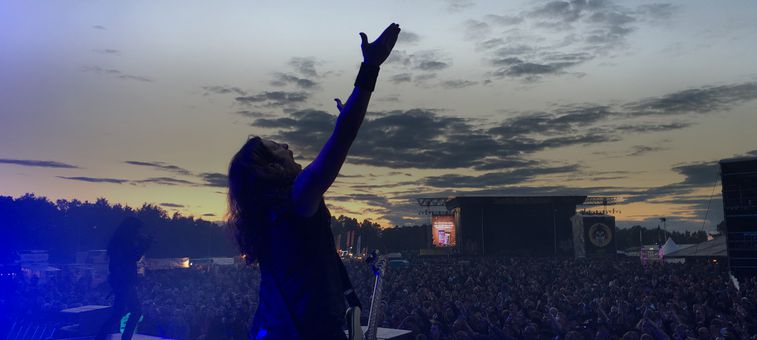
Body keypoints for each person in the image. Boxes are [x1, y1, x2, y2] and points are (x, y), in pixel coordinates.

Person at [227, 23, 400, 339]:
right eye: (277, 148)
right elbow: (343, 138)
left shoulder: (266, 215)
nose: (288, 148)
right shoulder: (295, 200)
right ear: (267, 167)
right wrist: (369, 70)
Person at [96, 217, 152, 340]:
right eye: (137, 230)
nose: (138, 233)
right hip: (124, 283)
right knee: (136, 312)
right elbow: (133, 256)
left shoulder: (119, 242)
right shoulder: (123, 243)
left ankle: (100, 337)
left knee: (118, 314)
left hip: (120, 282)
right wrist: (145, 244)